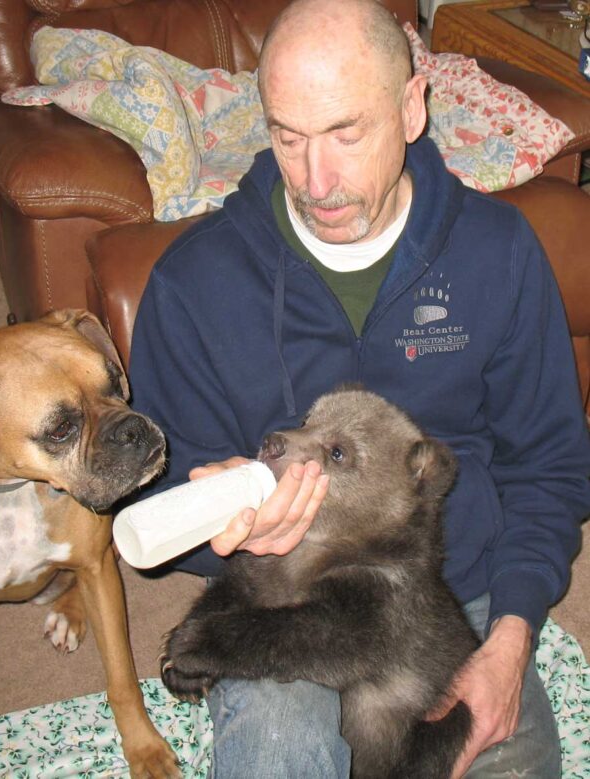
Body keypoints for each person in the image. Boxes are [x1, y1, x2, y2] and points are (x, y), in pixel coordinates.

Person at [127, 0, 590, 775]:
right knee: (278, 749)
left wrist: (512, 634)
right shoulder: (194, 283)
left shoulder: (498, 253)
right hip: (281, 598)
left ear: (411, 109)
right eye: (289, 137)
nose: (317, 179)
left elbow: (549, 464)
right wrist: (220, 524)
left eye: (347, 133)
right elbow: (158, 492)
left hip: (457, 595)